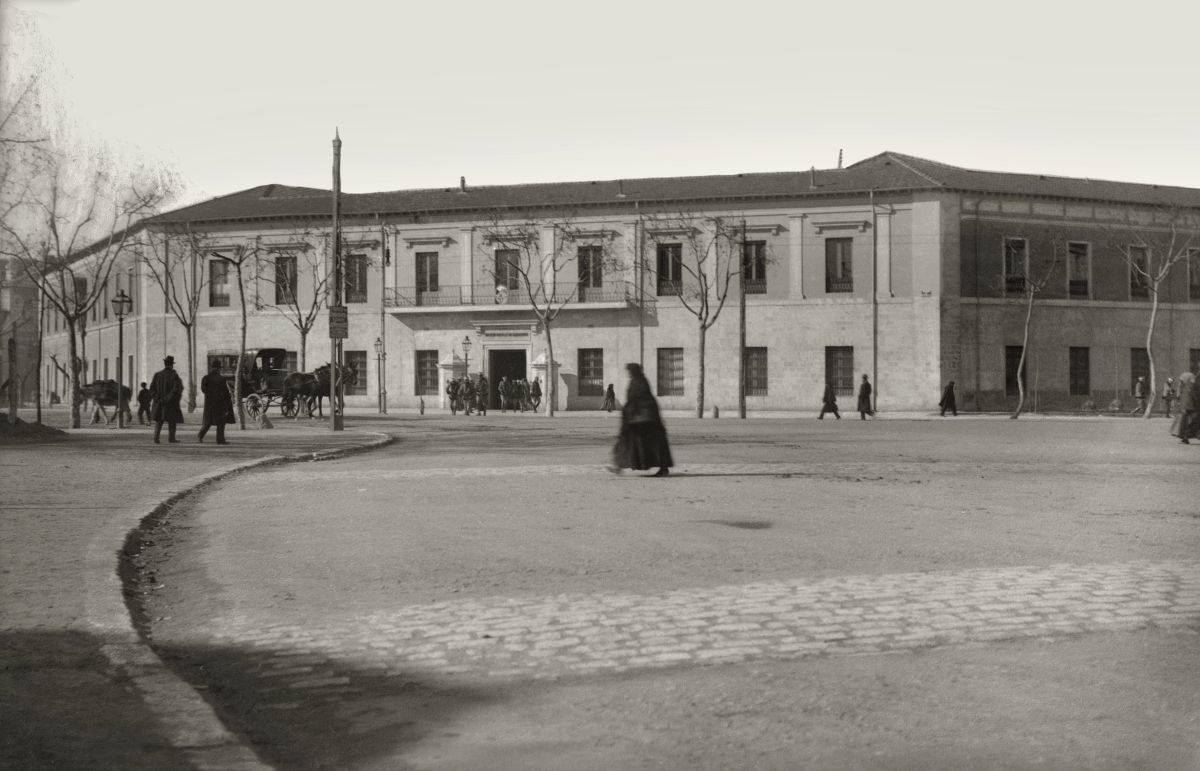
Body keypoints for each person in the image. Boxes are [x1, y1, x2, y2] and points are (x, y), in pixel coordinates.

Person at [610, 363, 673, 477]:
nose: (628, 373)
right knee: (636, 444)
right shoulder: (639, 381)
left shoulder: (639, 382)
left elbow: (639, 399)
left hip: (642, 421)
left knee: (642, 444)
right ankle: (618, 466)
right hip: (641, 419)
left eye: (629, 371)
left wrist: (630, 410)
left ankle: (663, 469)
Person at [149, 356, 184, 444]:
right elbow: (176, 389)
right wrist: (167, 399)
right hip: (170, 403)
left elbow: (152, 389)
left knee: (159, 421)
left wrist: (158, 398)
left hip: (159, 403)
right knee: (172, 422)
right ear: (172, 365)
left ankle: (156, 438)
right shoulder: (174, 375)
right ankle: (171, 438)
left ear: (165, 364)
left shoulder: (157, 375)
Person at [197, 361, 234, 444]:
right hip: (219, 403)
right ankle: (220, 440)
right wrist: (228, 402)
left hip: (209, 403)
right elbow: (225, 392)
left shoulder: (205, 378)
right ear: (218, 369)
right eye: (219, 368)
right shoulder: (221, 379)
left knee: (208, 422)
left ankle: (200, 435)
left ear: (212, 368)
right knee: (221, 422)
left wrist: (211, 392)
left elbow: (203, 390)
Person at [1177, 372, 1196, 444]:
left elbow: (1179, 392)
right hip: (1191, 404)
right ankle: (1186, 437)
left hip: (1185, 404)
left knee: (1185, 420)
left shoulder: (1183, 386)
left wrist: (1179, 399)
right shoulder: (1192, 385)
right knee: (1191, 420)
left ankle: (1185, 437)